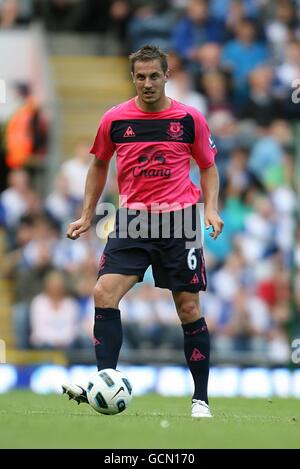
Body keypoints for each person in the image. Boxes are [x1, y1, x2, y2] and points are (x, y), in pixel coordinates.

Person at [62, 45, 224, 418]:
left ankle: (200, 399)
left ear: (166, 76)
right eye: (140, 76)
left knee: (187, 308)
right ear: (132, 77)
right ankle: (105, 379)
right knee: (103, 292)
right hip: (133, 220)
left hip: (180, 221)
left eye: (154, 76)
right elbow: (99, 164)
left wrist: (210, 209)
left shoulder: (189, 119)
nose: (147, 83)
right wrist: (88, 214)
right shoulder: (115, 119)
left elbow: (208, 166)